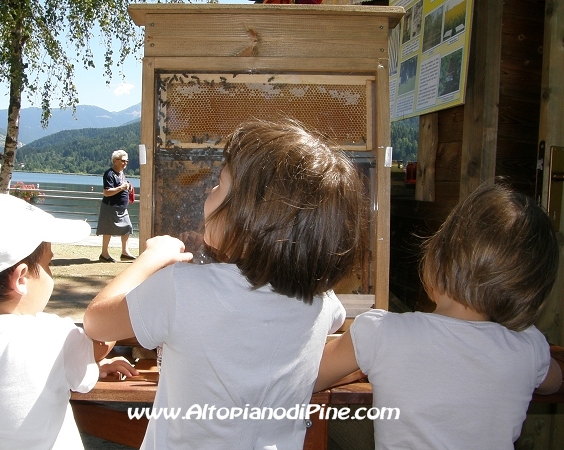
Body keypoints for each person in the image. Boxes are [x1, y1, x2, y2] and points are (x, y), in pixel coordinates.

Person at [83, 120, 366, 449]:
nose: (208, 191)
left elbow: (97, 322)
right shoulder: (322, 303)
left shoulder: (182, 288)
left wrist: (150, 259)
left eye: (219, 184)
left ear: (249, 216)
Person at [314, 182, 562, 450]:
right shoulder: (529, 347)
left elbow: (309, 377)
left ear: (437, 255)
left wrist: (360, 362)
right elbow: (553, 381)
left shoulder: (380, 333)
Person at [0, 194, 138, 449]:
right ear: (21, 278)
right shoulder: (50, 336)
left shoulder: (52, 349)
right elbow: (102, 334)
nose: (51, 273)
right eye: (49, 264)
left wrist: (76, 366)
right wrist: (149, 261)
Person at [96, 149, 135, 262]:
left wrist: (128, 187)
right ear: (115, 160)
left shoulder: (121, 173)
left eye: (126, 161)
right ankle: (104, 254)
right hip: (110, 207)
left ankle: (125, 252)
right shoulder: (109, 174)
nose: (125, 163)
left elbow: (122, 185)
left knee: (127, 227)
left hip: (122, 207)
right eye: (123, 161)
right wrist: (121, 188)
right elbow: (107, 192)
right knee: (107, 230)